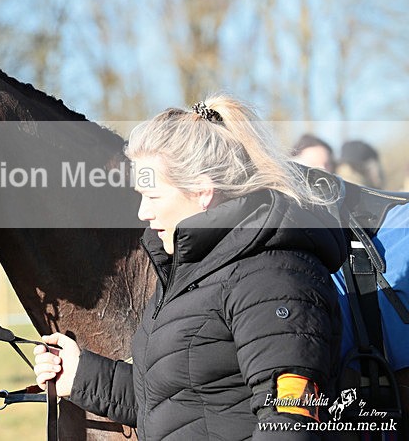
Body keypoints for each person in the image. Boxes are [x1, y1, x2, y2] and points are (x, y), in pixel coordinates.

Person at [34, 96, 347, 439]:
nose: (142, 212)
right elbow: (174, 399)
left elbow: (290, 423)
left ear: (202, 191)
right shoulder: (190, 272)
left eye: (152, 197)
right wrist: (80, 376)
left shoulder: (273, 277)